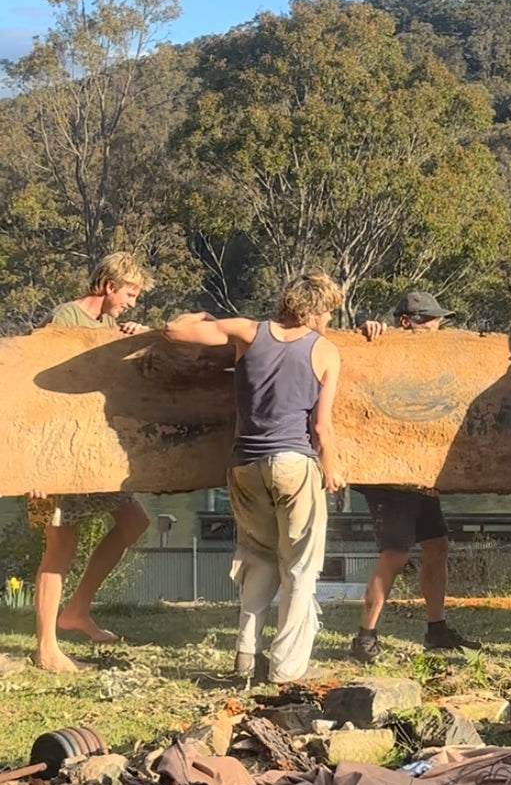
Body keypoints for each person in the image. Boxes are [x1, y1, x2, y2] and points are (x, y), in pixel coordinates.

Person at [164, 273, 343, 684]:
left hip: (244, 464)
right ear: (312, 312)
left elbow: (174, 330)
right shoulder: (326, 352)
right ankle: (287, 668)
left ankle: (246, 654)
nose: (329, 321)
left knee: (258, 557)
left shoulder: (247, 332)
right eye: (327, 313)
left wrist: (204, 314)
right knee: (299, 567)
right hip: (294, 464)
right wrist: (331, 467)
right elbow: (322, 428)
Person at [27, 252, 154, 672]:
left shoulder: (107, 328)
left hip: (87, 454)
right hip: (46, 458)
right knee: (59, 546)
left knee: (134, 521)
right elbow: (33, 388)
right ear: (108, 284)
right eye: (130, 293)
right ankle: (47, 648)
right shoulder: (63, 319)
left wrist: (139, 335)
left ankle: (77, 611)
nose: (132, 302)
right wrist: (33, 468)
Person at [349, 292, 481, 663]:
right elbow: (347, 361)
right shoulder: (379, 344)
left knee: (437, 545)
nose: (435, 326)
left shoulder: (434, 357)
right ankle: (364, 638)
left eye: (438, 319)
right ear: (404, 321)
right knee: (394, 553)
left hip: (419, 471)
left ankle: (436, 630)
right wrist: (365, 330)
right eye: (426, 320)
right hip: (386, 473)